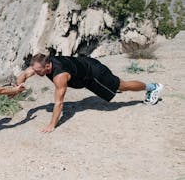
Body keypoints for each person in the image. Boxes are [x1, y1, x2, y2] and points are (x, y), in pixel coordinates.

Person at [16, 53, 163, 133]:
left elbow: (59, 103)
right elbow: (25, 74)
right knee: (117, 87)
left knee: (121, 85)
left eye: (37, 71)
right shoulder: (42, 64)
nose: (34, 72)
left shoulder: (59, 76)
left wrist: (52, 125)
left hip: (93, 73)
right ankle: (149, 87)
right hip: (83, 67)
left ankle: (152, 87)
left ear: (47, 66)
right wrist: (19, 85)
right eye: (34, 70)